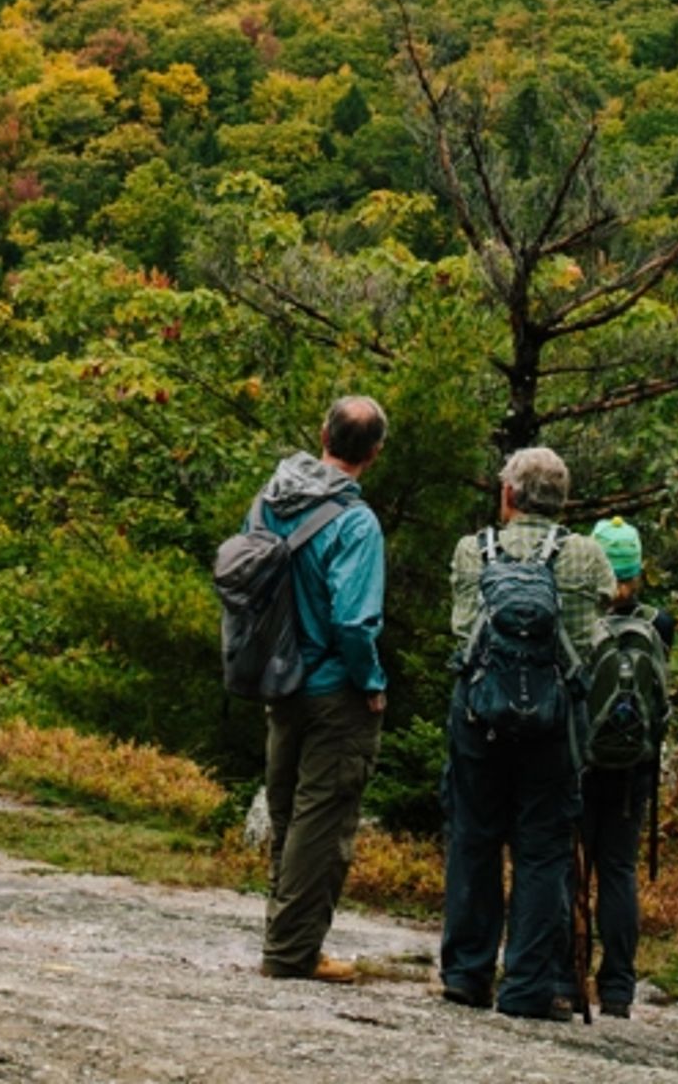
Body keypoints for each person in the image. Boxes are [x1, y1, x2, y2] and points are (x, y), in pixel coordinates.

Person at [440, 444, 615, 1019]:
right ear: (563, 501)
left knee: (474, 839)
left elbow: (461, 626)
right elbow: (597, 634)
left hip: (478, 717)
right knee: (542, 853)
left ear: (509, 494)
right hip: (554, 723)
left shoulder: (474, 550)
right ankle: (526, 988)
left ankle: (467, 974)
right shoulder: (587, 555)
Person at [254, 394, 389, 985]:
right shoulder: (356, 524)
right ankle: (290, 954)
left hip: (277, 678)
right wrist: (372, 683)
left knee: (287, 816)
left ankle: (282, 939)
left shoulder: (269, 501)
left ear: (322, 434)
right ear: (375, 454)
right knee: (321, 824)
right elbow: (354, 621)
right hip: (334, 689)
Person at [579, 515, 675, 1020]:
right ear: (637, 569)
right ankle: (617, 989)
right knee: (617, 871)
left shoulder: (580, 618)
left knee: (570, 866)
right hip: (633, 769)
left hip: (581, 762)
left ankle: (563, 974)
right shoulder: (659, 624)